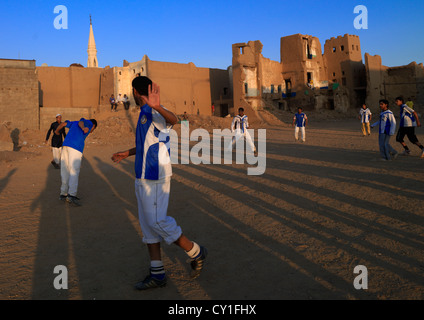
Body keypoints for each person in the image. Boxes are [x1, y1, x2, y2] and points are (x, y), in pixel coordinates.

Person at [111, 76, 207, 290]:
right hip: (142, 175)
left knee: (157, 221)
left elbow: (175, 120)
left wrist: (157, 106)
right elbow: (148, 143)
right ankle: (158, 274)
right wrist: (128, 152)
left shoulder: (154, 110)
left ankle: (196, 252)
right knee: (148, 226)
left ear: (135, 91)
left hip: (155, 175)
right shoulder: (145, 114)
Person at [54, 118, 97, 206]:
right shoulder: (89, 123)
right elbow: (81, 121)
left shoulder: (73, 122)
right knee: (74, 171)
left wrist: (56, 132)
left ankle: (63, 194)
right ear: (94, 126)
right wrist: (83, 128)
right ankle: (71, 195)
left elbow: (63, 124)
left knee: (65, 170)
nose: (92, 131)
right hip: (76, 147)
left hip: (65, 145)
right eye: (94, 129)